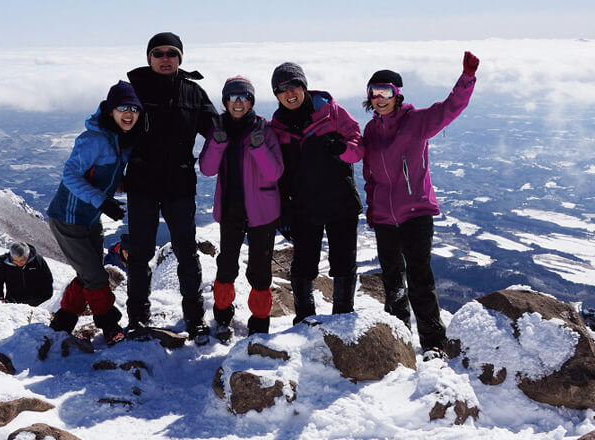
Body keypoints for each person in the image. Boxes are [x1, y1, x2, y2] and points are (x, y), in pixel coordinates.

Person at [362, 51, 479, 361]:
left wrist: (466, 78)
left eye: (385, 91)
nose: (379, 98)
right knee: (392, 281)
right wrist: (372, 206)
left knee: (419, 279)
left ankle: (433, 342)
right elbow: (370, 176)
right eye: (374, 92)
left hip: (417, 213)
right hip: (385, 218)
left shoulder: (416, 122)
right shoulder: (371, 131)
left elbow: (450, 108)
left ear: (397, 94)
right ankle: (399, 338)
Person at [125, 32, 218, 345]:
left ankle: (195, 318)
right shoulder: (132, 90)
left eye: (172, 53)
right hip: (141, 184)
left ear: (180, 58)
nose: (166, 58)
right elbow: (108, 129)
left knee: (187, 253)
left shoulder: (193, 93)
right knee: (139, 254)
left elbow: (218, 132)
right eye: (159, 53)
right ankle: (137, 318)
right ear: (149, 58)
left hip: (179, 184)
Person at [47, 80, 142, 346]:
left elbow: (105, 173)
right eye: (123, 107)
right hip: (68, 218)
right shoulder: (94, 139)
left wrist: (119, 184)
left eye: (134, 108)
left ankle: (62, 322)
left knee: (87, 274)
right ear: (111, 110)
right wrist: (102, 200)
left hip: (90, 219)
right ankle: (109, 325)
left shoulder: (121, 140)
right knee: (96, 277)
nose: (129, 113)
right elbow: (70, 175)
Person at [269, 62, 364, 325]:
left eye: (294, 86)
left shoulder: (331, 112)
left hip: (340, 201)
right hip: (304, 206)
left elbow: (358, 146)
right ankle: (304, 320)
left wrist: (341, 148)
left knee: (344, 262)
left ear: (304, 86)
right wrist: (283, 211)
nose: (289, 93)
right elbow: (276, 174)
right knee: (304, 264)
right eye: (282, 89)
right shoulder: (276, 128)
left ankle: (343, 318)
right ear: (276, 95)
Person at [199, 76, 284, 341]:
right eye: (232, 97)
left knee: (259, 270)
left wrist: (259, 148)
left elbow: (275, 172)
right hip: (231, 209)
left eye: (244, 97)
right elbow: (207, 168)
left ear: (251, 101)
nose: (238, 102)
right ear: (225, 101)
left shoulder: (263, 129)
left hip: (262, 210)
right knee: (226, 265)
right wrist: (218, 142)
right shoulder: (218, 129)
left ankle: (260, 323)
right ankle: (223, 315)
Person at [0, 241, 53, 306]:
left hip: (37, 303)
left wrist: (45, 298)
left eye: (22, 260)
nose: (19, 263)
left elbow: (47, 279)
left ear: (28, 256)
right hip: (13, 303)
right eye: (15, 260)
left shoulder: (37, 260)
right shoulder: (4, 263)